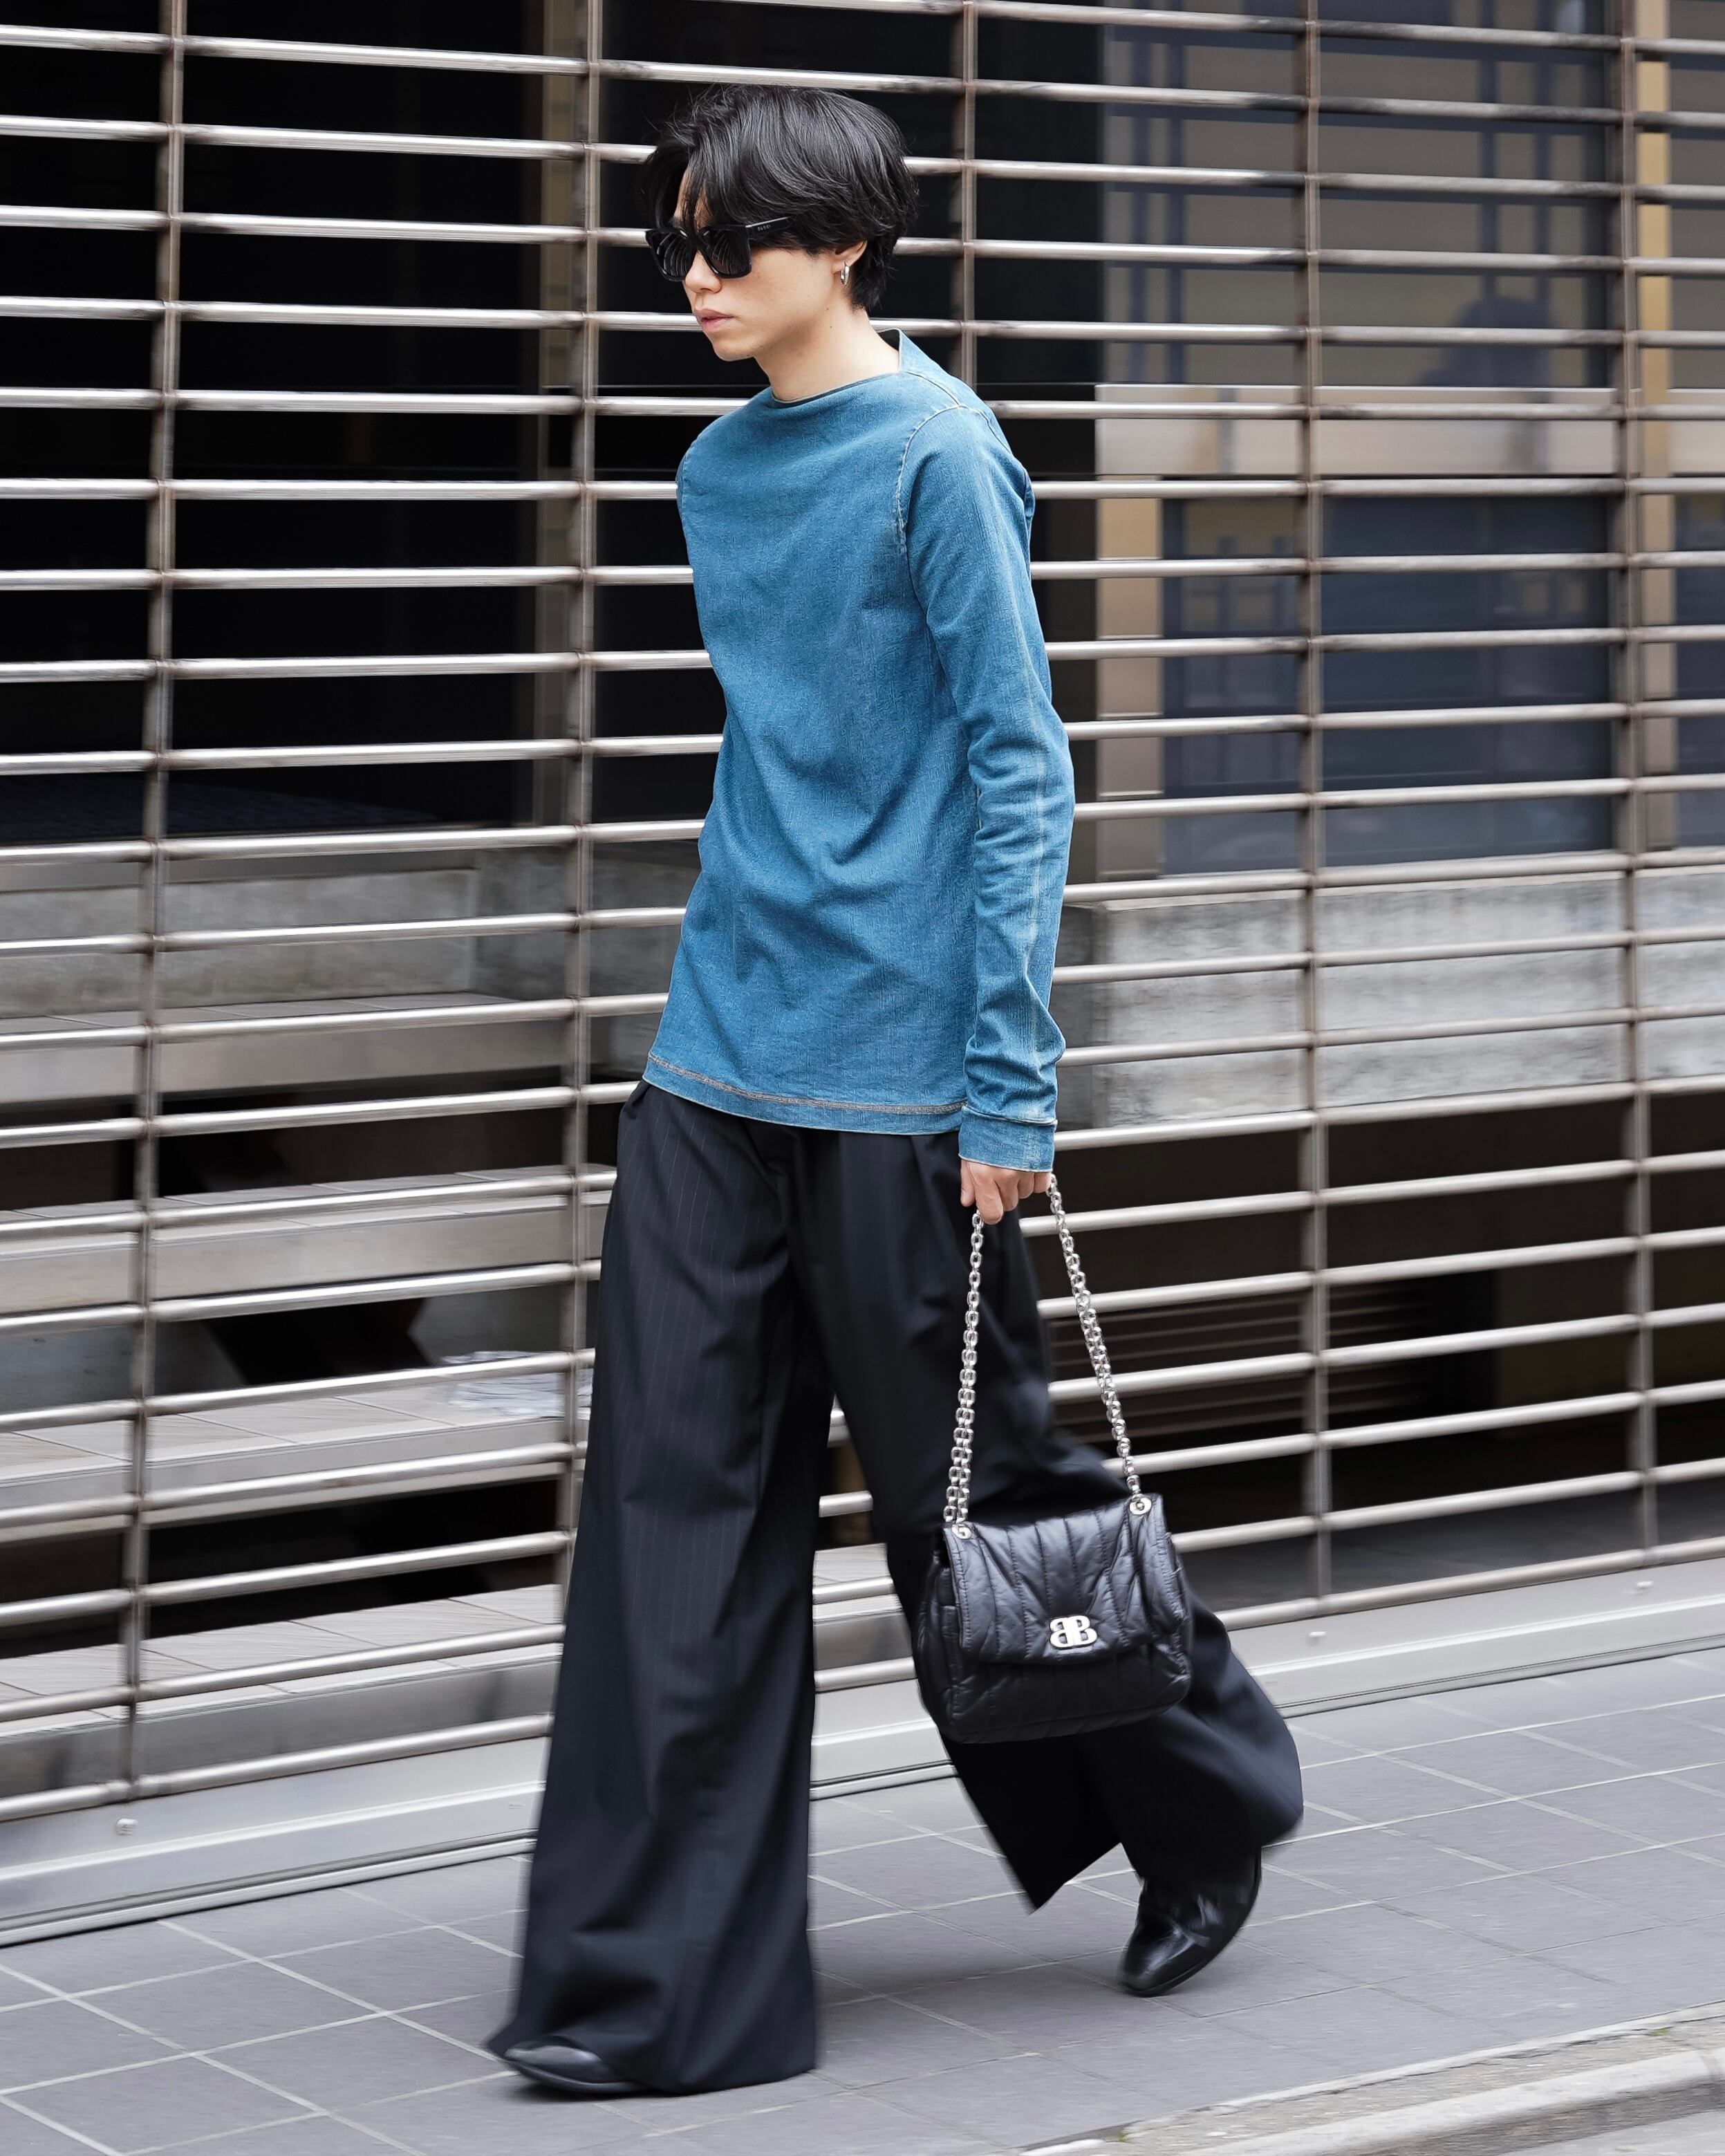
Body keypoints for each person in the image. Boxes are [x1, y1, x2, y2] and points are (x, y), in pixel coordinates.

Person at [488, 82, 1303, 2101]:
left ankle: (1204, 1801)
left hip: (906, 1083)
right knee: (668, 1516)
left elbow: (1023, 769)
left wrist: (1008, 1089)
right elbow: (781, 762)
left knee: (979, 1503)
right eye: (678, 243)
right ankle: (651, 1988)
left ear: (841, 245)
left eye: (732, 245)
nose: (694, 279)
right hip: (716, 1058)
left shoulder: (942, 454)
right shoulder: (716, 465)